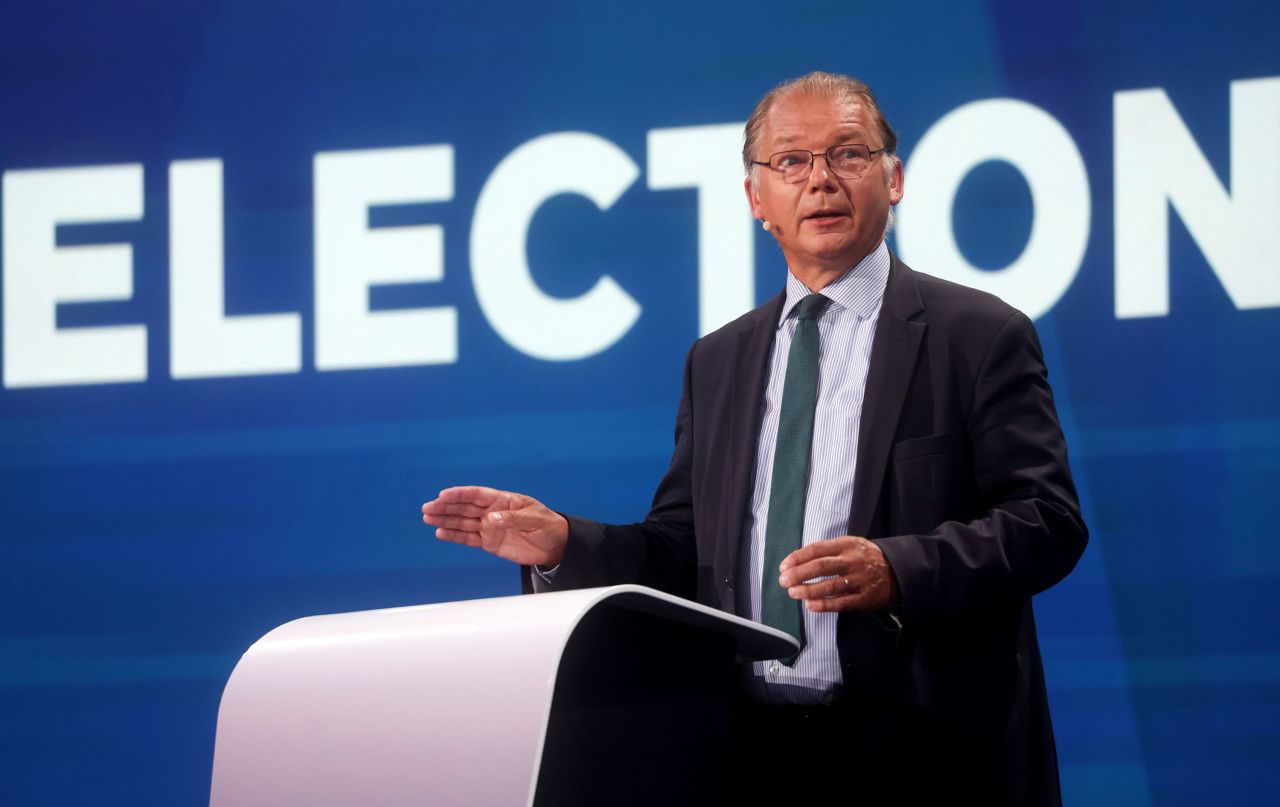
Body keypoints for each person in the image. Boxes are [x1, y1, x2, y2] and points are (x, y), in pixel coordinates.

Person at [422, 71, 1086, 806]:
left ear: (893, 180)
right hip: (752, 757)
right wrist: (562, 544)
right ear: (754, 199)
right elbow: (684, 552)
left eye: (849, 154)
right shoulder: (718, 361)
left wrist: (897, 568)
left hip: (923, 753)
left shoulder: (978, 335)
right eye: (791, 161)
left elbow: (1046, 521)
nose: (821, 181)